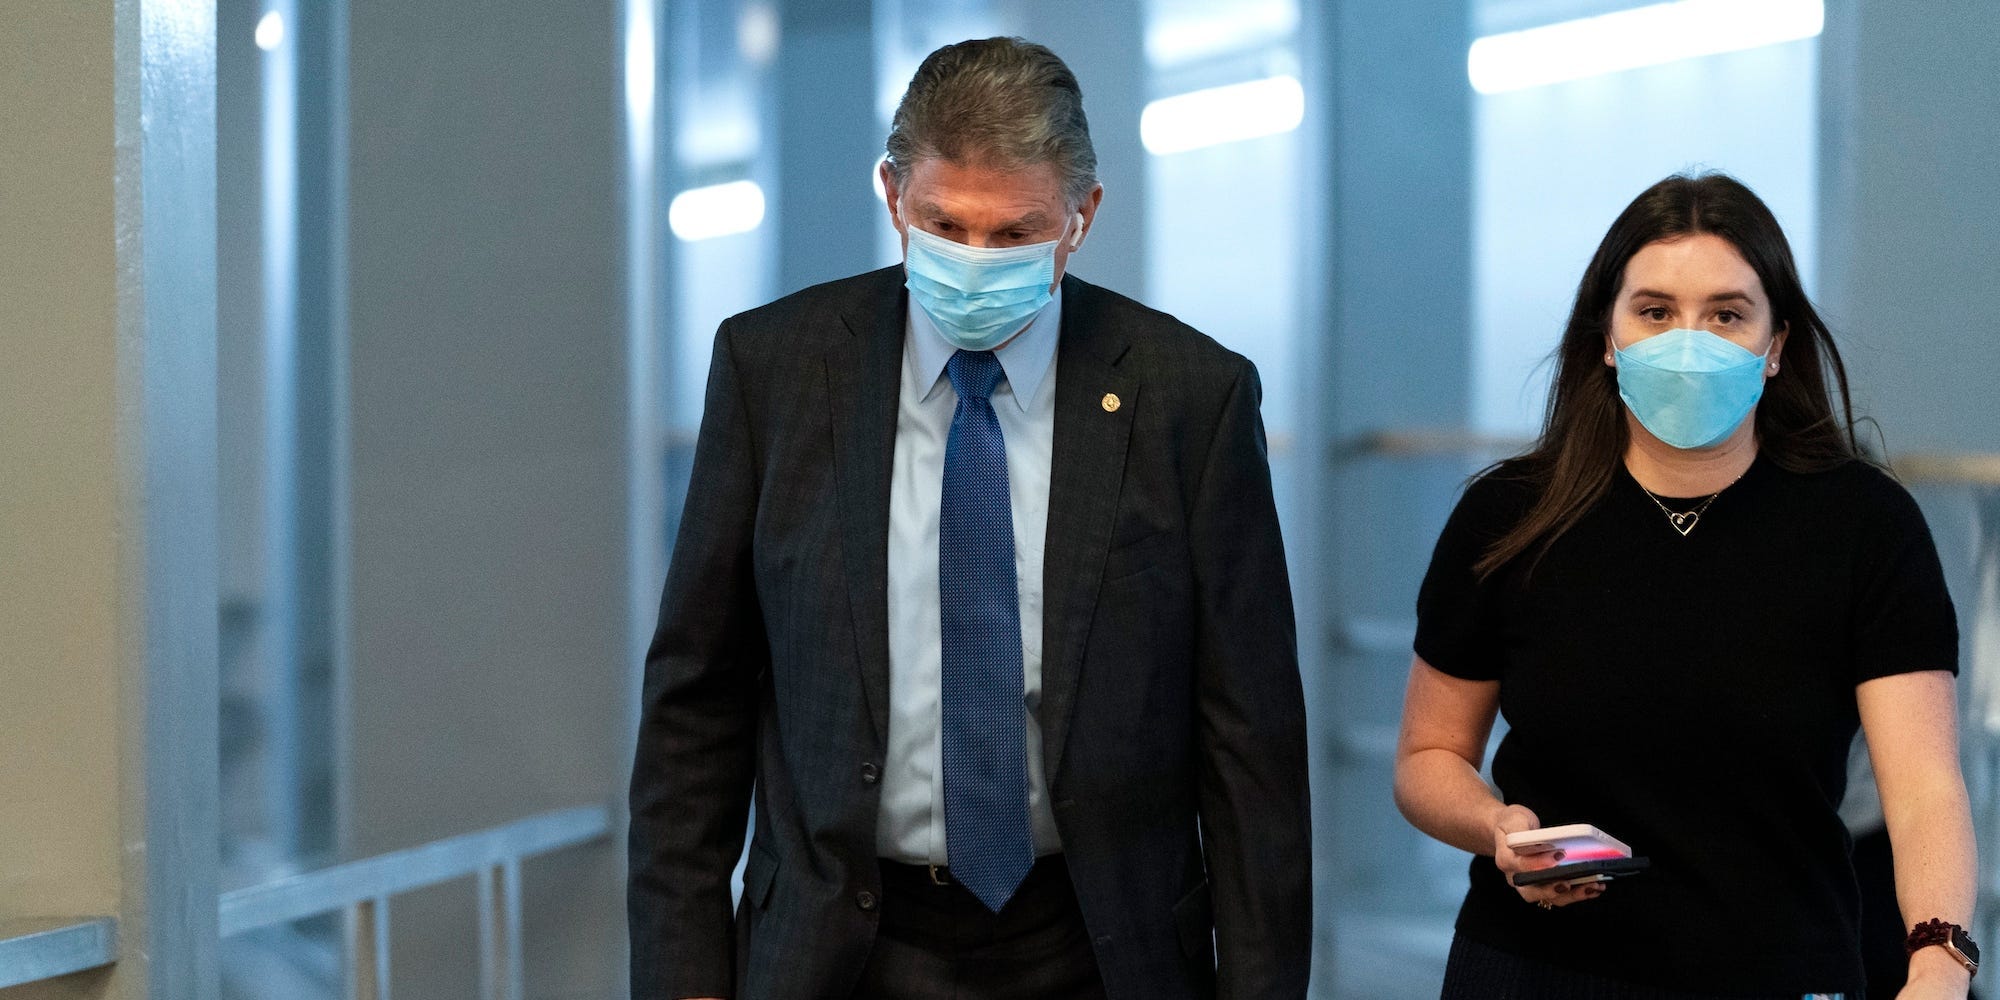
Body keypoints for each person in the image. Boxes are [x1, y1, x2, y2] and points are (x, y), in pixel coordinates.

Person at [628, 37, 1311, 1000]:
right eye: (944, 223)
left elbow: (1251, 748)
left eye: (1016, 233)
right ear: (892, 195)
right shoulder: (774, 372)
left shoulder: (1188, 399)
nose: (975, 263)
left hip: (1097, 944)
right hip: (838, 944)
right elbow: (694, 709)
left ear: (1082, 218)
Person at [1393, 173, 1979, 999]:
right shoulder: (1510, 516)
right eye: (1656, 311)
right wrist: (1496, 828)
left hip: (1780, 970)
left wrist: (1939, 963)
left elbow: (1922, 789)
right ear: (1607, 334)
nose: (1688, 340)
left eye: (1727, 314)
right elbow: (1427, 757)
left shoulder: (1864, 526)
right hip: (1536, 968)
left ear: (1776, 347)